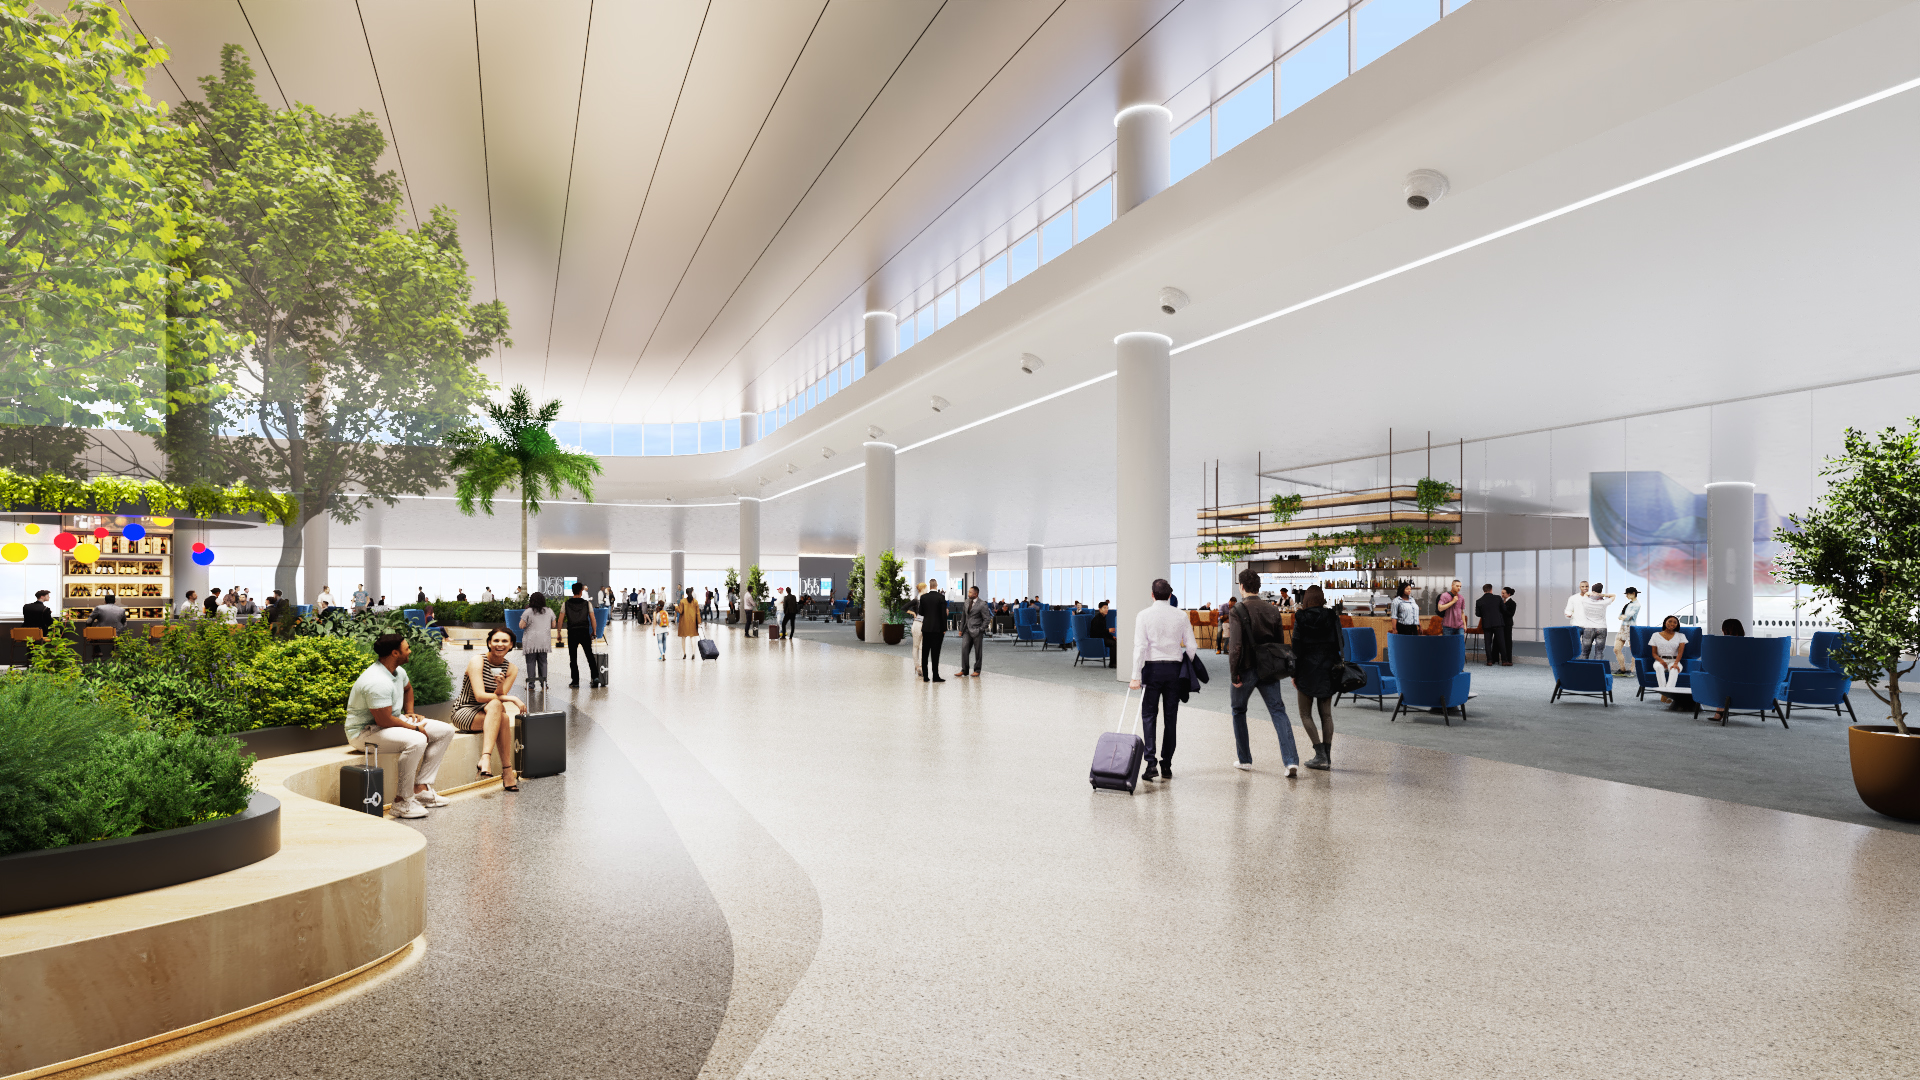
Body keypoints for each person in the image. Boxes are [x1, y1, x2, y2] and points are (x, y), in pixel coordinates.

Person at [346, 633, 456, 819]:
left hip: (388, 725)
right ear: (395, 653)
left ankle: (421, 788)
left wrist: (410, 711)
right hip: (364, 734)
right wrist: (414, 727)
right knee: (417, 740)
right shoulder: (377, 681)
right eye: (407, 649)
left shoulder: (397, 671)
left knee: (446, 731)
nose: (410, 651)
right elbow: (384, 721)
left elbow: (408, 688)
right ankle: (402, 801)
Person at [1228, 567, 1302, 776]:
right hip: (1269, 668)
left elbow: (1235, 646)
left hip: (1247, 669)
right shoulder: (1272, 609)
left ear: (1241, 587)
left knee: (1238, 710)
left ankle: (1245, 759)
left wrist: (1234, 674)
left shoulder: (1238, 610)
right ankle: (1291, 761)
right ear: (1258, 588)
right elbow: (1279, 643)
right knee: (1278, 711)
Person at [1129, 578, 1197, 782]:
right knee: (1171, 717)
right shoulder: (1181, 615)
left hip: (1152, 669)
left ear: (1152, 595)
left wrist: (1135, 676)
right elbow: (1191, 647)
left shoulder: (1143, 615)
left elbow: (1140, 647)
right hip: (1174, 670)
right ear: (1170, 595)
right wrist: (1186, 664)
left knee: (1149, 715)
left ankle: (1151, 764)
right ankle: (1166, 764)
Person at [452, 629, 525, 791]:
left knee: (502, 715)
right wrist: (513, 698)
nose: (500, 645)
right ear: (489, 643)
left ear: (511, 644)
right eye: (496, 641)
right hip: (465, 711)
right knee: (498, 708)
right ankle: (492, 762)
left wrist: (500, 685)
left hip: (489, 712)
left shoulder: (511, 669)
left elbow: (499, 695)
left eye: (505, 641)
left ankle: (502, 768)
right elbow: (479, 696)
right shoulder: (478, 661)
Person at [1290, 584, 1343, 765]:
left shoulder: (1300, 617)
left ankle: (1319, 755)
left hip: (1306, 670)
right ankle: (1327, 756)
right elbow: (1339, 642)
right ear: (1322, 599)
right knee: (1326, 715)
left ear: (1305, 599)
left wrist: (1293, 673)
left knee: (1305, 714)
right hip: (1328, 669)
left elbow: (1295, 647)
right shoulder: (1332, 616)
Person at [563, 583, 603, 687]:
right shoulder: (587, 603)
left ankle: (575, 681)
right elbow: (592, 618)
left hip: (572, 632)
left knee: (573, 658)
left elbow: (560, 619)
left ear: (572, 591)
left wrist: (558, 631)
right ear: (581, 591)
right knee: (589, 655)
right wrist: (594, 632)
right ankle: (595, 677)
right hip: (584, 632)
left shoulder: (566, 604)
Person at [1650, 615, 1688, 704]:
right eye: (1670, 621)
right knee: (1659, 668)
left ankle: (1667, 694)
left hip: (1675, 660)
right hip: (1660, 660)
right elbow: (1654, 653)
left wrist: (1676, 663)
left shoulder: (1681, 636)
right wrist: (1661, 661)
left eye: (1675, 622)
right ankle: (1665, 692)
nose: (1672, 624)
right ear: (1665, 622)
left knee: (1674, 669)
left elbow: (1680, 652)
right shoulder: (1655, 635)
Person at [518, 592, 554, 687]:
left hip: (531, 641)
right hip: (543, 641)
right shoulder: (549, 611)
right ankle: (544, 683)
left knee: (530, 662)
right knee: (543, 661)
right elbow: (553, 625)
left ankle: (531, 684)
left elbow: (522, 625)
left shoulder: (528, 611)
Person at [917, 578, 947, 682]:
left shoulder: (923, 597)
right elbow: (943, 615)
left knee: (925, 652)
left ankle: (925, 676)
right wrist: (944, 628)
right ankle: (936, 676)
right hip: (937, 629)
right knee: (935, 653)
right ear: (937, 585)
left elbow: (920, 613)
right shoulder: (941, 597)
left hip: (926, 628)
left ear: (929, 586)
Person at [1576, 583, 1615, 660]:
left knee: (1584, 653)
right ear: (1601, 591)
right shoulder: (1603, 602)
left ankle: (1582, 670)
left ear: (1592, 591)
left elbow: (1586, 594)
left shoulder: (1585, 601)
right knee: (1599, 652)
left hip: (1588, 628)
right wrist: (1602, 595)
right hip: (1601, 628)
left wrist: (1591, 593)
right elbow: (1613, 596)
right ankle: (1597, 671)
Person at [956, 585, 989, 677]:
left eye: (970, 592)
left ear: (976, 594)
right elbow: (963, 616)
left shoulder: (982, 604)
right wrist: (961, 629)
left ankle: (977, 670)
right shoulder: (966, 602)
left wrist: (981, 629)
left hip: (977, 631)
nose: (968, 594)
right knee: (964, 650)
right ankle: (964, 670)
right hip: (967, 630)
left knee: (978, 652)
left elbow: (987, 619)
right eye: (968, 592)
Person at [1474, 583, 1506, 666]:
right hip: (1498, 623)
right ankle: (1504, 661)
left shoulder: (1479, 601)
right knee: (1501, 642)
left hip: (1486, 624)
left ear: (1484, 590)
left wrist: (1485, 614)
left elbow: (1477, 614)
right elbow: (1504, 609)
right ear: (1491, 589)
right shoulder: (1498, 598)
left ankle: (1489, 661)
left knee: (1487, 643)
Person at [1614, 587, 1641, 674]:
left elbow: (1627, 617)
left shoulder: (1637, 605)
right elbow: (1620, 616)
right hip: (1623, 627)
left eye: (1628, 594)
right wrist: (1623, 617)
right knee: (1616, 649)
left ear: (1633, 593)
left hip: (1631, 628)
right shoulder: (1628, 604)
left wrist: (1623, 617)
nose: (1626, 596)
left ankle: (1631, 670)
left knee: (1633, 651)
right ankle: (1622, 669)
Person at [1090, 599, 1115, 668]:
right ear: (1100, 609)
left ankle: (1115, 662)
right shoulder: (1096, 619)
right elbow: (1096, 632)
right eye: (1104, 608)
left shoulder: (1103, 618)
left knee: (1115, 641)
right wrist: (1108, 631)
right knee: (1113, 643)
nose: (1106, 609)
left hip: (1102, 637)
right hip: (1097, 639)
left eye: (1107, 608)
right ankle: (1112, 664)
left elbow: (1104, 631)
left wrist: (1112, 637)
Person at [676, 588, 701, 658]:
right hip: (693, 622)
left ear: (686, 593)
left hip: (684, 622)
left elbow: (680, 611)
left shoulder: (683, 601)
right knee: (692, 637)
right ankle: (693, 653)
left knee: (683, 638)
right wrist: (699, 622)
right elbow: (698, 613)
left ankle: (684, 654)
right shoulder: (695, 601)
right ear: (692, 592)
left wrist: (676, 607)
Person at [1497, 587, 1517, 667]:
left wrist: (1503, 608)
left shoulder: (1512, 603)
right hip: (1500, 624)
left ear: (1508, 594)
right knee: (1500, 641)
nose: (1502, 594)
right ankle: (1502, 659)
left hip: (1507, 624)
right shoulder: (1501, 602)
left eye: (1503, 593)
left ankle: (1509, 659)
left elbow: (1510, 614)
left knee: (1507, 642)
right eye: (1501, 593)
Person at [910, 582, 926, 678]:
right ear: (922, 589)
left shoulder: (926, 600)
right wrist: (913, 613)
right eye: (926, 588)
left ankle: (921, 667)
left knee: (922, 647)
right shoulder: (916, 600)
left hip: (925, 624)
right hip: (917, 624)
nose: (927, 590)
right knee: (916, 646)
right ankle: (917, 666)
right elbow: (903, 608)